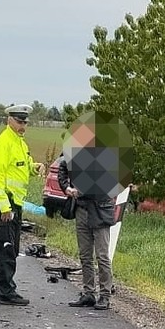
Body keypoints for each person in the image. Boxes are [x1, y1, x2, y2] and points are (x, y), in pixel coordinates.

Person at [54, 119, 124, 309]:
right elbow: (62, 168)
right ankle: (88, 293)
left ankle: (105, 296)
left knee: (102, 256)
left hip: (100, 210)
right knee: (85, 255)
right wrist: (66, 188)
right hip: (81, 208)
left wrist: (79, 191)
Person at [0, 105, 36, 305]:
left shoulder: (20, 143)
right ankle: (6, 291)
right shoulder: (4, 142)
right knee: (6, 248)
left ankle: (0, 289)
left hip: (15, 202)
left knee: (10, 248)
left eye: (25, 122)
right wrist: (4, 205)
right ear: (9, 120)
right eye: (19, 121)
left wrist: (34, 168)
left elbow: (21, 166)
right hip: (4, 204)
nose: (22, 125)